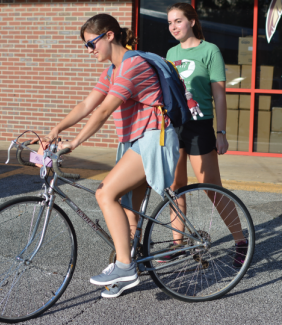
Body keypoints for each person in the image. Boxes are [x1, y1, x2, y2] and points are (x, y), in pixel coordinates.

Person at [35, 13, 180, 298]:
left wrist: (74, 142)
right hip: (136, 140)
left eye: (91, 44)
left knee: (105, 194)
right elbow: (88, 103)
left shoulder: (132, 65)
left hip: (154, 139)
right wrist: (54, 131)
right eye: (86, 46)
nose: (89, 51)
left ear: (109, 35)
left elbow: (103, 111)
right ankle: (128, 269)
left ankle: (124, 266)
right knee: (128, 210)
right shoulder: (113, 70)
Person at [155, 3, 248, 266]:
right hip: (176, 126)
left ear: (192, 22)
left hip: (200, 125)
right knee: (175, 187)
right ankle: (178, 244)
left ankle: (241, 241)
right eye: (170, 22)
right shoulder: (171, 52)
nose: (173, 27)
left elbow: (219, 95)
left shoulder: (210, 50)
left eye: (178, 21)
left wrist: (221, 132)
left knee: (213, 190)